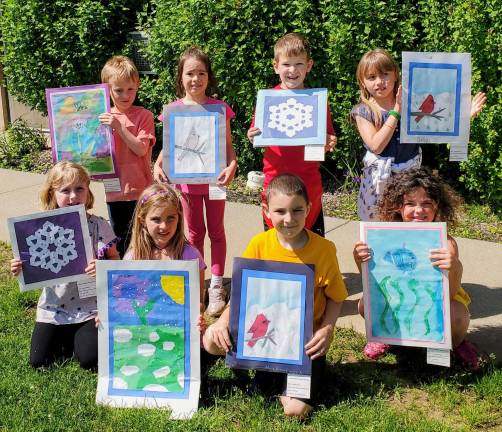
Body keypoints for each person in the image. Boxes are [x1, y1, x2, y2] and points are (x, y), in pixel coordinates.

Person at [203, 174, 347, 418]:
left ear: (309, 209)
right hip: (264, 340)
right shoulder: (260, 244)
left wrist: (326, 329)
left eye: (297, 210)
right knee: (210, 339)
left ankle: (282, 377)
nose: (289, 219)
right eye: (280, 211)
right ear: (266, 211)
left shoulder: (324, 250)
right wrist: (222, 322)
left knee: (296, 410)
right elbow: (241, 292)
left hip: (303, 346)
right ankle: (194, 376)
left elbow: (336, 297)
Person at [353, 167, 480, 370]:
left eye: (426, 204)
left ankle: (455, 342)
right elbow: (372, 281)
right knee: (364, 304)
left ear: (438, 207)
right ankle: (386, 335)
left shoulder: (445, 242)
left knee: (456, 315)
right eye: (410, 204)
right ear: (398, 207)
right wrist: (360, 259)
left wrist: (454, 266)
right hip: (400, 293)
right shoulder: (382, 238)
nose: (418, 211)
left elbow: (449, 294)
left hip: (439, 297)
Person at [351, 48, 487, 221]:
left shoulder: (411, 102)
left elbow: (436, 125)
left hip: (409, 176)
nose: (379, 81)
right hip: (379, 182)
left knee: (409, 219)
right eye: (372, 77)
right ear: (363, 82)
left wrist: (465, 117)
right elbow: (376, 145)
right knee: (379, 221)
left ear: (395, 76)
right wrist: (397, 112)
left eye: (385, 74)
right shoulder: (363, 111)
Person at [152, 47, 237, 316]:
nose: (195, 79)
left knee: (217, 232)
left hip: (214, 183)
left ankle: (216, 285)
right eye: (190, 73)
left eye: (201, 73)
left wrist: (233, 165)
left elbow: (228, 148)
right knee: (193, 234)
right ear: (181, 77)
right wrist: (157, 164)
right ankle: (197, 283)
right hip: (187, 185)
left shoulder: (219, 108)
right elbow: (169, 149)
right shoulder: (172, 111)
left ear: (208, 77)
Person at [10, 161, 120, 370]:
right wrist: (20, 269)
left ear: (88, 191)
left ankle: (80, 338)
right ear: (52, 194)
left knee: (90, 360)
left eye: (79, 189)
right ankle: (67, 337)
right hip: (54, 308)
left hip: (91, 307)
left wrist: (103, 266)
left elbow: (115, 259)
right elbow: (30, 265)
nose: (73, 196)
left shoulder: (99, 225)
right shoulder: (39, 229)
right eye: (65, 190)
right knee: (38, 361)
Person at [247, 32, 337, 238]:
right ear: (276, 66)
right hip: (275, 183)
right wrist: (252, 135)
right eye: (287, 64)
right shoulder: (268, 101)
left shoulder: (317, 101)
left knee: (312, 243)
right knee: (276, 247)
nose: (293, 70)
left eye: (299, 64)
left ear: (309, 65)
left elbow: (328, 137)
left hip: (308, 185)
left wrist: (329, 142)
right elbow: (255, 133)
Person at [99, 55, 156, 257]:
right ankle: (125, 282)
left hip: (141, 191)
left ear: (138, 86)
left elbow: (141, 149)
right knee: (120, 240)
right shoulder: (101, 116)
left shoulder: (144, 116)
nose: (125, 95)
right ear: (107, 89)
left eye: (130, 89)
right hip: (114, 192)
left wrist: (120, 127)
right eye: (119, 90)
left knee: (144, 238)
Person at [124, 183, 206, 312]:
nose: (164, 226)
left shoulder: (191, 256)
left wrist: (197, 315)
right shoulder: (132, 258)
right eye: (156, 219)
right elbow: (125, 303)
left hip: (178, 329)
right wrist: (109, 318)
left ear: (179, 218)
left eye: (170, 218)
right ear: (142, 221)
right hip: (144, 328)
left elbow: (199, 303)